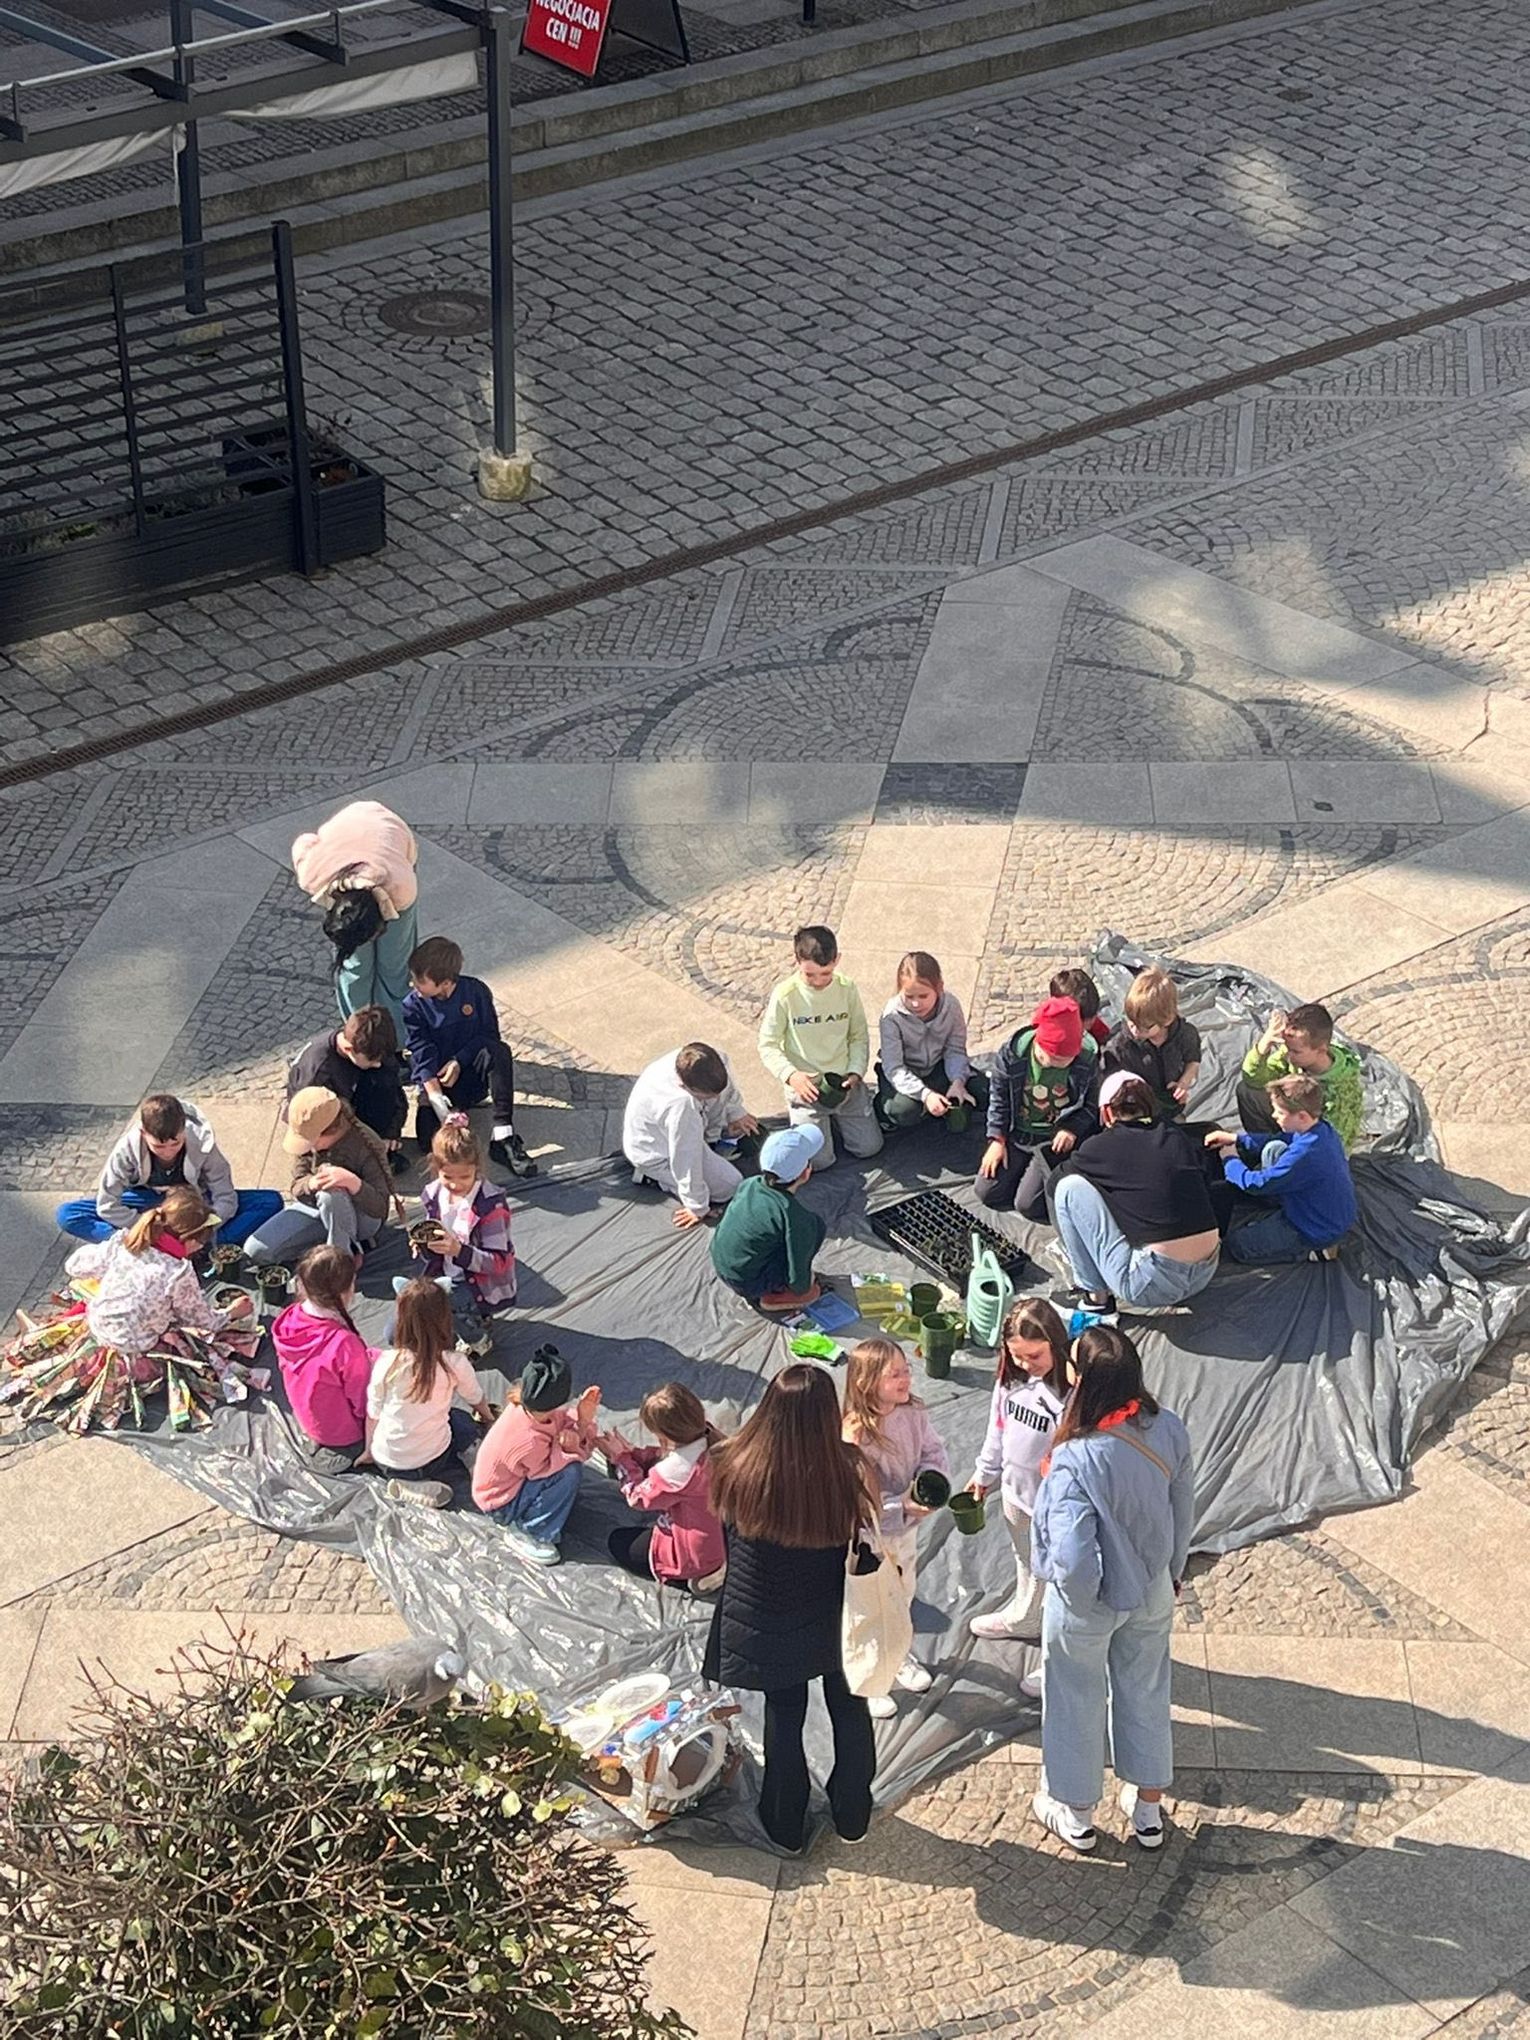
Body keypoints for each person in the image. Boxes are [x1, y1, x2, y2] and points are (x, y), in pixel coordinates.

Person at [1030, 1324, 1194, 1855]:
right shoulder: (1168, 1427)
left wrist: (1078, 1599)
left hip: (1091, 1602)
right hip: (1152, 1587)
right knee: (1146, 1689)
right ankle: (1147, 1810)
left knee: (1074, 1697)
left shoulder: (1075, 1455)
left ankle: (1076, 1812)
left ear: (1081, 1379)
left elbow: (1072, 1554)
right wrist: (1171, 1572)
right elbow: (1183, 1511)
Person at [704, 1364, 879, 1852]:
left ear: (769, 1410)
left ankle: (784, 1823)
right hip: (835, 1609)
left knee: (784, 1713)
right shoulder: (848, 1469)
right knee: (850, 1705)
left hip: (766, 1609)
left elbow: (728, 1538)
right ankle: (853, 1817)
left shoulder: (734, 1462)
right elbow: (866, 1536)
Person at [841, 1336, 949, 1719]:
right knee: (870, 1605)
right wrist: (898, 1506)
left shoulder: (913, 1412)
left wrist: (929, 1481)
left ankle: (898, 1654)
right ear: (866, 1382)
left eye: (906, 1370)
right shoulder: (854, 1435)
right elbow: (856, 1498)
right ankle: (873, 1675)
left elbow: (932, 1450)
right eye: (895, 1375)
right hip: (871, 1537)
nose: (906, 1380)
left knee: (903, 1592)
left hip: (905, 1529)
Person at [1050, 1073, 1221, 1313]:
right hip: (1206, 1270)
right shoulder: (1177, 1137)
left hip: (1148, 1285)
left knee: (1069, 1189)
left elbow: (1055, 1182)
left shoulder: (1100, 1146)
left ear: (1107, 1112)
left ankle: (1095, 1300)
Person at [966, 1297, 1072, 1671]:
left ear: (1056, 1345)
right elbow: (997, 1429)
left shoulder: (1070, 1393)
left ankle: (1059, 1653)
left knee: (1059, 1577)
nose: (1026, 1365)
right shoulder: (1009, 1382)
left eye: (1035, 1356)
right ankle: (1026, 1615)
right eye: (1017, 1356)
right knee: (1025, 1559)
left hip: (1054, 1507)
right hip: (1016, 1494)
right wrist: (984, 1474)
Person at [55, 1094, 281, 1246]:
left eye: (176, 1144)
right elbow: (107, 1204)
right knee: (68, 1214)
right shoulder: (125, 1151)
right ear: (144, 1134)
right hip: (146, 1202)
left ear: (184, 1130)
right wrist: (146, 1229)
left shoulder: (203, 1143)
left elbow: (225, 1195)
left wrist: (203, 1230)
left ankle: (202, 1246)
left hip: (195, 1203)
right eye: (159, 1147)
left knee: (270, 1201)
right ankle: (135, 1245)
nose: (168, 1152)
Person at [403, 936, 536, 1179]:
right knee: (427, 1142)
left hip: (471, 1071)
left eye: (420, 981)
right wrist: (437, 1101)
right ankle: (451, 1110)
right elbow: (421, 1050)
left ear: (445, 983)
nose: (413, 985)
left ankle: (503, 1135)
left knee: (499, 1051)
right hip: (440, 1082)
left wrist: (459, 1060)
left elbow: (489, 1036)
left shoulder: (475, 992)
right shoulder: (413, 1005)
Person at [758, 924, 882, 1169]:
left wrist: (855, 1071)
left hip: (844, 1085)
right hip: (807, 1090)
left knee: (869, 1148)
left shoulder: (847, 989)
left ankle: (837, 1122)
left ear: (837, 960)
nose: (818, 981)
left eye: (825, 974)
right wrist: (791, 1076)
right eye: (810, 975)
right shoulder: (785, 995)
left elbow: (858, 1035)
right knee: (818, 1162)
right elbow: (768, 1044)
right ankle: (817, 1124)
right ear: (797, 961)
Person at [291, 799, 419, 1033]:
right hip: (345, 838)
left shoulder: (402, 888)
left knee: (395, 965)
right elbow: (304, 844)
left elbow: (407, 858)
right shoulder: (312, 873)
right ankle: (360, 1032)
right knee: (355, 966)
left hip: (390, 835)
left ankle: (397, 1036)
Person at [365, 1278, 495, 1507]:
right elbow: (475, 1398)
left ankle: (406, 1484)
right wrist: (488, 1417)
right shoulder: (454, 1362)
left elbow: (373, 1413)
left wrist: (368, 1450)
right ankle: (475, 1463)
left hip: (387, 1461)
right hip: (434, 1459)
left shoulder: (386, 1362)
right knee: (459, 1419)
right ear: (445, 1318)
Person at [1207, 1074, 1358, 1264]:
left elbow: (1257, 1184)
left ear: (1301, 1116)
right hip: (1322, 1208)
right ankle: (1277, 1204)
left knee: (1239, 1246)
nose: (1273, 1116)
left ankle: (1315, 1251)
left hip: (1315, 1227)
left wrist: (1230, 1159)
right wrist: (1236, 1139)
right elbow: (1277, 1140)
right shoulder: (1320, 1129)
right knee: (1274, 1148)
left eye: (1279, 1112)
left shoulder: (1306, 1155)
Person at [472, 1345, 600, 1565]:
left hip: (508, 1483)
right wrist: (580, 1428)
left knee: (568, 1466)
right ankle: (530, 1532)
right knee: (570, 1473)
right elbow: (548, 1470)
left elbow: (561, 1420)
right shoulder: (527, 1441)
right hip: (500, 1503)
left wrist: (580, 1421)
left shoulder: (530, 1407)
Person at [976, 995, 1099, 1222]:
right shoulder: (1013, 1055)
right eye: (1055, 1058)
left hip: (1053, 1141)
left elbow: (1092, 1105)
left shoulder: (1086, 1060)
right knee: (987, 1192)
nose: (1062, 1064)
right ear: (1038, 1044)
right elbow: (999, 1099)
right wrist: (997, 1139)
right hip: (1019, 1132)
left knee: (1027, 1205)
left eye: (1068, 1059)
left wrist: (1072, 1128)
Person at [244, 1087, 393, 1267]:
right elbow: (297, 1186)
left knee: (331, 1193)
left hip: (362, 1215)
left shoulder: (367, 1145)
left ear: (329, 1132)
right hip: (317, 1208)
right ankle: (328, 1244)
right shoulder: (308, 1138)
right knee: (256, 1250)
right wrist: (311, 1183)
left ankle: (342, 1260)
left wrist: (353, 1183)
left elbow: (380, 1208)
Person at [601, 1382, 727, 1591]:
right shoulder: (712, 1438)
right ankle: (715, 1564)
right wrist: (634, 1454)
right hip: (722, 1537)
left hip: (694, 1552)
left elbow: (638, 1497)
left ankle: (691, 1577)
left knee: (618, 1541)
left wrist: (621, 1458)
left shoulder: (677, 1470)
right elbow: (662, 1457)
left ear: (665, 1435)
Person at [407, 1119, 517, 1345]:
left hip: (477, 1285)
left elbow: (499, 1263)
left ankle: (478, 1337)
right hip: (444, 1275)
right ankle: (454, 1323)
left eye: (464, 1177)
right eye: (447, 1177)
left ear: (477, 1168)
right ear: (436, 1167)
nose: (456, 1185)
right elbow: (435, 1241)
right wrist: (424, 1244)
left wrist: (459, 1251)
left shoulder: (490, 1206)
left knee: (431, 1309)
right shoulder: (434, 1194)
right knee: (400, 1323)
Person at [622, 1043, 758, 1226]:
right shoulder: (680, 1106)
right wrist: (697, 1206)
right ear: (684, 1086)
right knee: (730, 1186)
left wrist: (735, 1112)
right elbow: (685, 1158)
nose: (716, 1099)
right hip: (658, 1154)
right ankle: (653, 1177)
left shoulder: (706, 1059)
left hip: (680, 1129)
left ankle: (710, 1140)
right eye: (707, 1096)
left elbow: (723, 1090)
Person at [270, 1245, 374, 1474]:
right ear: (346, 1291)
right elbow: (363, 1402)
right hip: (342, 1432)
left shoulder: (289, 1319)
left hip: (308, 1419)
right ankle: (350, 1451)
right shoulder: (344, 1344)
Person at [709, 1123, 827, 1312]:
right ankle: (773, 1297)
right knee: (810, 1289)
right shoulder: (794, 1217)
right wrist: (803, 1286)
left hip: (723, 1265)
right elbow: (799, 1280)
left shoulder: (750, 1184)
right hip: (748, 1282)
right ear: (806, 1172)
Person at [875, 951, 987, 1133]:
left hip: (938, 1067)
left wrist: (958, 1081)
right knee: (903, 1111)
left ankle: (944, 1104)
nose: (916, 1004)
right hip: (905, 1072)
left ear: (939, 988)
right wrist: (925, 1094)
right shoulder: (891, 1017)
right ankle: (883, 1108)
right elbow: (894, 1067)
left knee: (985, 1092)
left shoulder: (951, 1006)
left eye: (923, 996)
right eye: (909, 997)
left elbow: (955, 1049)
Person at [285, 1007, 408, 1167]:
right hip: (323, 1118)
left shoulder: (369, 1045)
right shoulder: (318, 1074)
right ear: (349, 1049)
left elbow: (394, 1091)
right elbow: (311, 1124)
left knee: (383, 1078)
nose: (377, 1064)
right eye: (372, 1061)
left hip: (351, 1095)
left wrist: (390, 1133)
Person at [1237, 1000, 1363, 1151]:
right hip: (1292, 1119)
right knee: (1248, 1091)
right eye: (1287, 1047)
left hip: (1316, 1145)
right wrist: (1265, 1044)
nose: (1288, 1055)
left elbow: (1333, 1142)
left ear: (1321, 1050)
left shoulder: (1340, 1091)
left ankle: (1277, 1152)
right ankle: (1262, 1147)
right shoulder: (1293, 1055)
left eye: (1295, 1052)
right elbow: (1254, 1079)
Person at [1101, 967, 1202, 1122]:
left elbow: (1193, 1060)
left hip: (1170, 1104)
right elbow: (1109, 1082)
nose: (1135, 1030)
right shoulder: (1119, 1045)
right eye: (1131, 1021)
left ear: (1166, 1020)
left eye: (1144, 1027)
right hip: (1136, 1110)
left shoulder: (1184, 1034)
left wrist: (1183, 1083)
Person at [1050, 968, 1110, 1049]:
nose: (1091, 1023)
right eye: (1084, 1025)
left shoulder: (1092, 1019)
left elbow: (1104, 1035)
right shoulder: (1052, 1035)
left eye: (1093, 1017)